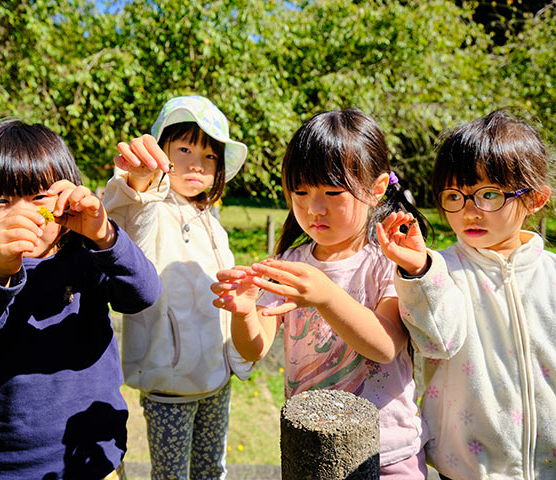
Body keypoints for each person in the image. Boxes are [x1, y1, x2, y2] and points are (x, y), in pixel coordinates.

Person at [0, 118, 162, 480]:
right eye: (1, 200)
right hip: (10, 468)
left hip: (95, 455)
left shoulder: (87, 259)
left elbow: (143, 293)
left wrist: (104, 235)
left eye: (39, 196)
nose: (24, 213)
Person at [211, 109, 429, 478]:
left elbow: (386, 345)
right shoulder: (288, 264)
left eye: (332, 192)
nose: (314, 208)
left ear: (376, 190)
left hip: (385, 453)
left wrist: (326, 295)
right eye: (301, 192)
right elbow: (255, 349)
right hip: (311, 449)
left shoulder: (385, 262)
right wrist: (244, 310)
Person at [376, 109, 556, 479]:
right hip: (467, 469)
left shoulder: (552, 274)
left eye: (488, 194)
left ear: (536, 198)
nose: (469, 211)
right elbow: (437, 342)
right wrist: (418, 271)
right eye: (454, 195)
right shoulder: (441, 271)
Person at [103, 95, 253, 480]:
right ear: (161, 151)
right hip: (169, 387)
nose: (196, 164)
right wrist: (139, 181)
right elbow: (127, 218)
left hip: (216, 380)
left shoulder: (210, 219)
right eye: (184, 148)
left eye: (209, 156)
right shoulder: (153, 208)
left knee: (211, 471)